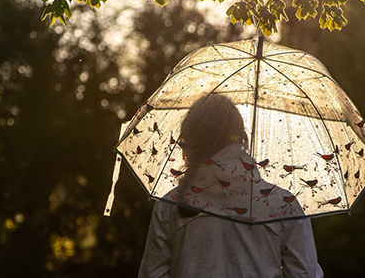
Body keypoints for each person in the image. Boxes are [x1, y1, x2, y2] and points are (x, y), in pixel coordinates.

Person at [138, 94, 323, 278]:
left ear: (191, 142)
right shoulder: (283, 205)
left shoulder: (171, 205)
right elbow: (304, 274)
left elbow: (152, 274)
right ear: (240, 137)